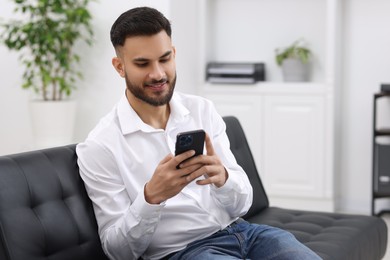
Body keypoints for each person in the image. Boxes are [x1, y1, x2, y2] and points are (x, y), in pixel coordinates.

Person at [76, 6, 321, 260]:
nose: (158, 73)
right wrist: (151, 197)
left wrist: (223, 178)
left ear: (174, 54)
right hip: (184, 252)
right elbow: (118, 252)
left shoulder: (201, 109)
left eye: (164, 59)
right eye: (142, 63)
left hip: (246, 233)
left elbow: (243, 204)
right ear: (119, 67)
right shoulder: (100, 146)